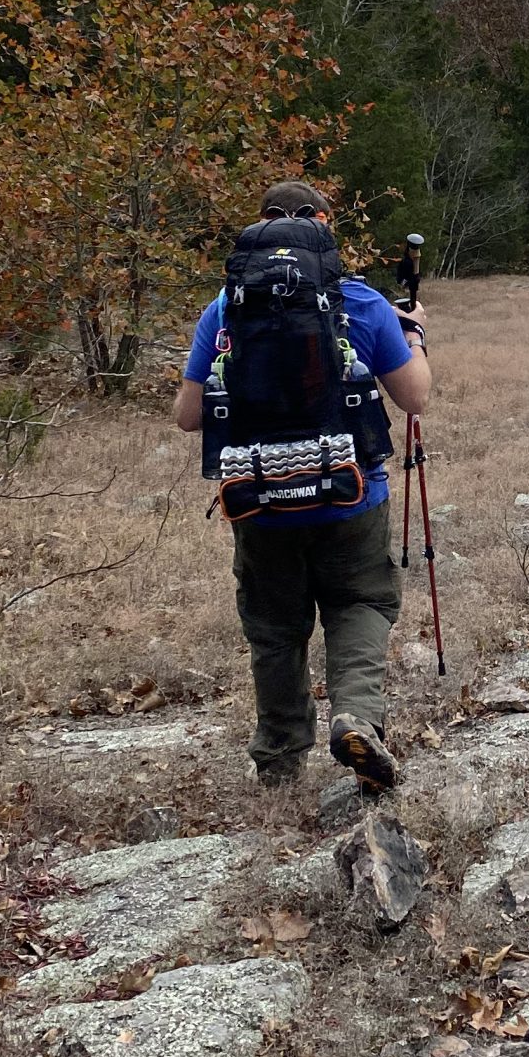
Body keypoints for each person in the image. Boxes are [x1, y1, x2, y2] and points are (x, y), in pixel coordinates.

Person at [174, 179, 431, 793]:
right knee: (362, 603)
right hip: (350, 494)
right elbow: (415, 396)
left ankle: (280, 765)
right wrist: (415, 334)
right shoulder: (362, 304)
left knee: (274, 626)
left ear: (259, 224)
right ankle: (357, 715)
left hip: (258, 500)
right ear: (323, 223)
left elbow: (188, 416)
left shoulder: (225, 309)